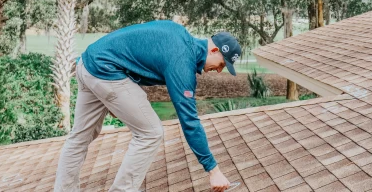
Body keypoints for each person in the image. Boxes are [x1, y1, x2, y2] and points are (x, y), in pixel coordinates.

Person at [54, 20, 242, 192]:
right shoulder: (182, 61)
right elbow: (190, 122)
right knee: (151, 133)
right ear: (215, 51)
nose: (218, 71)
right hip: (105, 71)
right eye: (222, 65)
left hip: (87, 64)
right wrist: (213, 170)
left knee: (80, 137)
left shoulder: (180, 35)